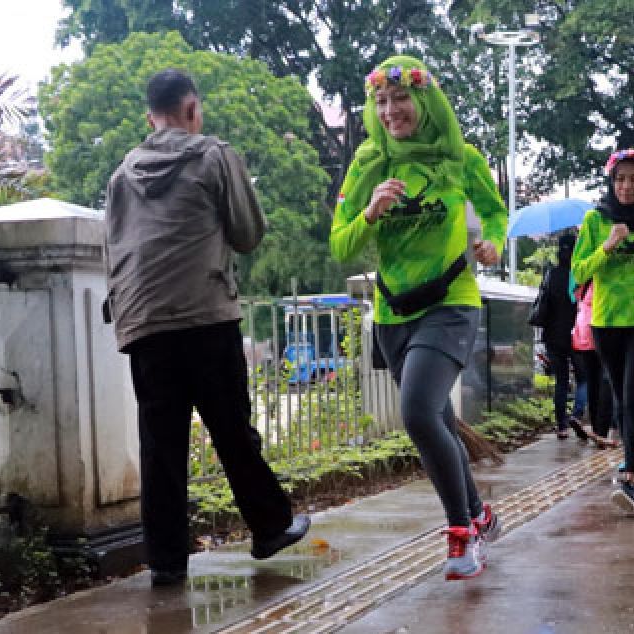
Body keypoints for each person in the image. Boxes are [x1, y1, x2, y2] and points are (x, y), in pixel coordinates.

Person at [104, 69, 309, 587]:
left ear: (149, 118)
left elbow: (117, 252)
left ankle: (167, 562)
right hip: (204, 318)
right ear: (192, 109)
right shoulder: (214, 155)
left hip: (144, 324)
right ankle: (270, 527)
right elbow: (246, 234)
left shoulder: (121, 177)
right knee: (232, 430)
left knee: (160, 445)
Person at [329, 56, 505, 580]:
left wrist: (493, 239)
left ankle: (461, 537)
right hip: (392, 313)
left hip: (451, 304)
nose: (391, 111)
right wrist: (370, 213)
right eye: (381, 101)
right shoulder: (367, 164)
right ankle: (480, 513)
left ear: (425, 99)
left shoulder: (460, 158)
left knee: (417, 414)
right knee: (438, 420)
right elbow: (341, 244)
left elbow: (493, 211)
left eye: (400, 98)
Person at [571, 148, 634, 515]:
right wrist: (607, 246)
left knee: (631, 398)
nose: (626, 186)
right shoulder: (595, 220)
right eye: (620, 179)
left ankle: (632, 476)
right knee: (623, 396)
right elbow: (579, 273)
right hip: (607, 321)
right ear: (611, 182)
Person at [542, 232, 590, 440]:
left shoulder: (551, 274)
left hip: (553, 335)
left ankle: (561, 426)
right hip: (577, 335)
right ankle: (577, 414)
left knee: (561, 381)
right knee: (584, 379)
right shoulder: (581, 274)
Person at [571, 279, 618, 449]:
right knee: (606, 379)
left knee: (592, 382)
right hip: (598, 333)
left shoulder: (581, 285)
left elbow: (573, 297)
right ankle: (601, 428)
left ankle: (596, 424)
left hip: (583, 336)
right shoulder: (600, 284)